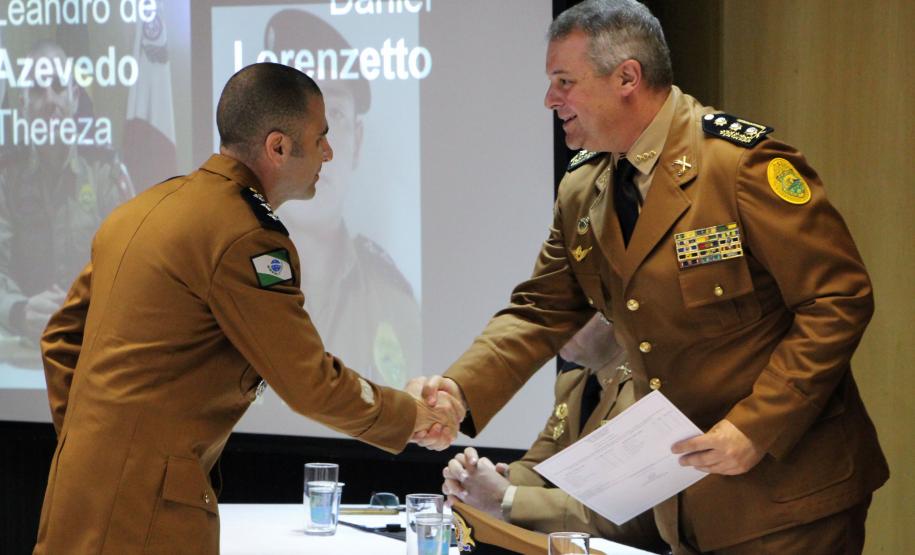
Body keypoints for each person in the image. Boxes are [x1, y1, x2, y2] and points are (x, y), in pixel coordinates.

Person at [413, 1, 888, 553]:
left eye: (564, 82)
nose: (550, 100)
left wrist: (757, 426)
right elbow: (539, 310)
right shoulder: (583, 188)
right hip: (681, 504)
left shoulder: (739, 166)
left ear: (627, 78)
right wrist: (457, 390)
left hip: (787, 496)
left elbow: (838, 299)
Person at [33, 63, 462, 554]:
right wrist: (411, 415)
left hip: (75, 500)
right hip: (145, 517)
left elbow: (60, 341)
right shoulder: (246, 238)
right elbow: (309, 383)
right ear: (278, 147)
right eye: (320, 137)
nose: (328, 152)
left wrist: (92, 450)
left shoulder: (143, 209)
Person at [267, 9, 421, 389]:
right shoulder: (231, 279)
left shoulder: (393, 299)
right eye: (297, 116)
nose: (319, 147)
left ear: (358, 141)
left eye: (334, 115)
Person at [441, 314, 667, 553]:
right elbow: (540, 465)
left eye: (571, 311)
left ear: (610, 314)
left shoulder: (647, 389)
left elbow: (619, 511)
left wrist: (506, 497)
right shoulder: (573, 380)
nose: (555, 328)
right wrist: (477, 479)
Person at [0, 41, 132, 346]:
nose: (50, 100)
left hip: (96, 340)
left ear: (74, 96)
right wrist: (18, 310)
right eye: (37, 90)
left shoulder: (104, 172)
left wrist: (87, 307)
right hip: (24, 346)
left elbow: (131, 264)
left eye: (59, 87)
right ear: (23, 103)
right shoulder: (6, 178)